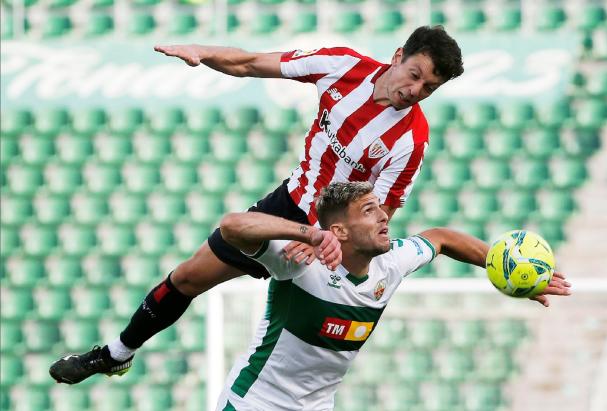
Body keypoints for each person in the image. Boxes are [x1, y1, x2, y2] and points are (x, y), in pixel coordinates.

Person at [49, 25, 465, 384]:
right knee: (189, 277)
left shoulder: (411, 140)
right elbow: (249, 63)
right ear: (398, 56)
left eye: (429, 88)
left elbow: (383, 212)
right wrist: (204, 53)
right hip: (285, 208)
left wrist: (330, 242)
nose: (415, 91)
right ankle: (116, 355)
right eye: (414, 75)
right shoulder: (341, 66)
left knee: (296, 346)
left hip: (332, 241)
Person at [211, 181, 571, 410]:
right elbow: (231, 226)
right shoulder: (302, 263)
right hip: (255, 402)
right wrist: (310, 235)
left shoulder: (391, 263)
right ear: (340, 231)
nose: (384, 215)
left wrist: (502, 266)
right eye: (369, 211)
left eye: (380, 207)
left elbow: (442, 238)